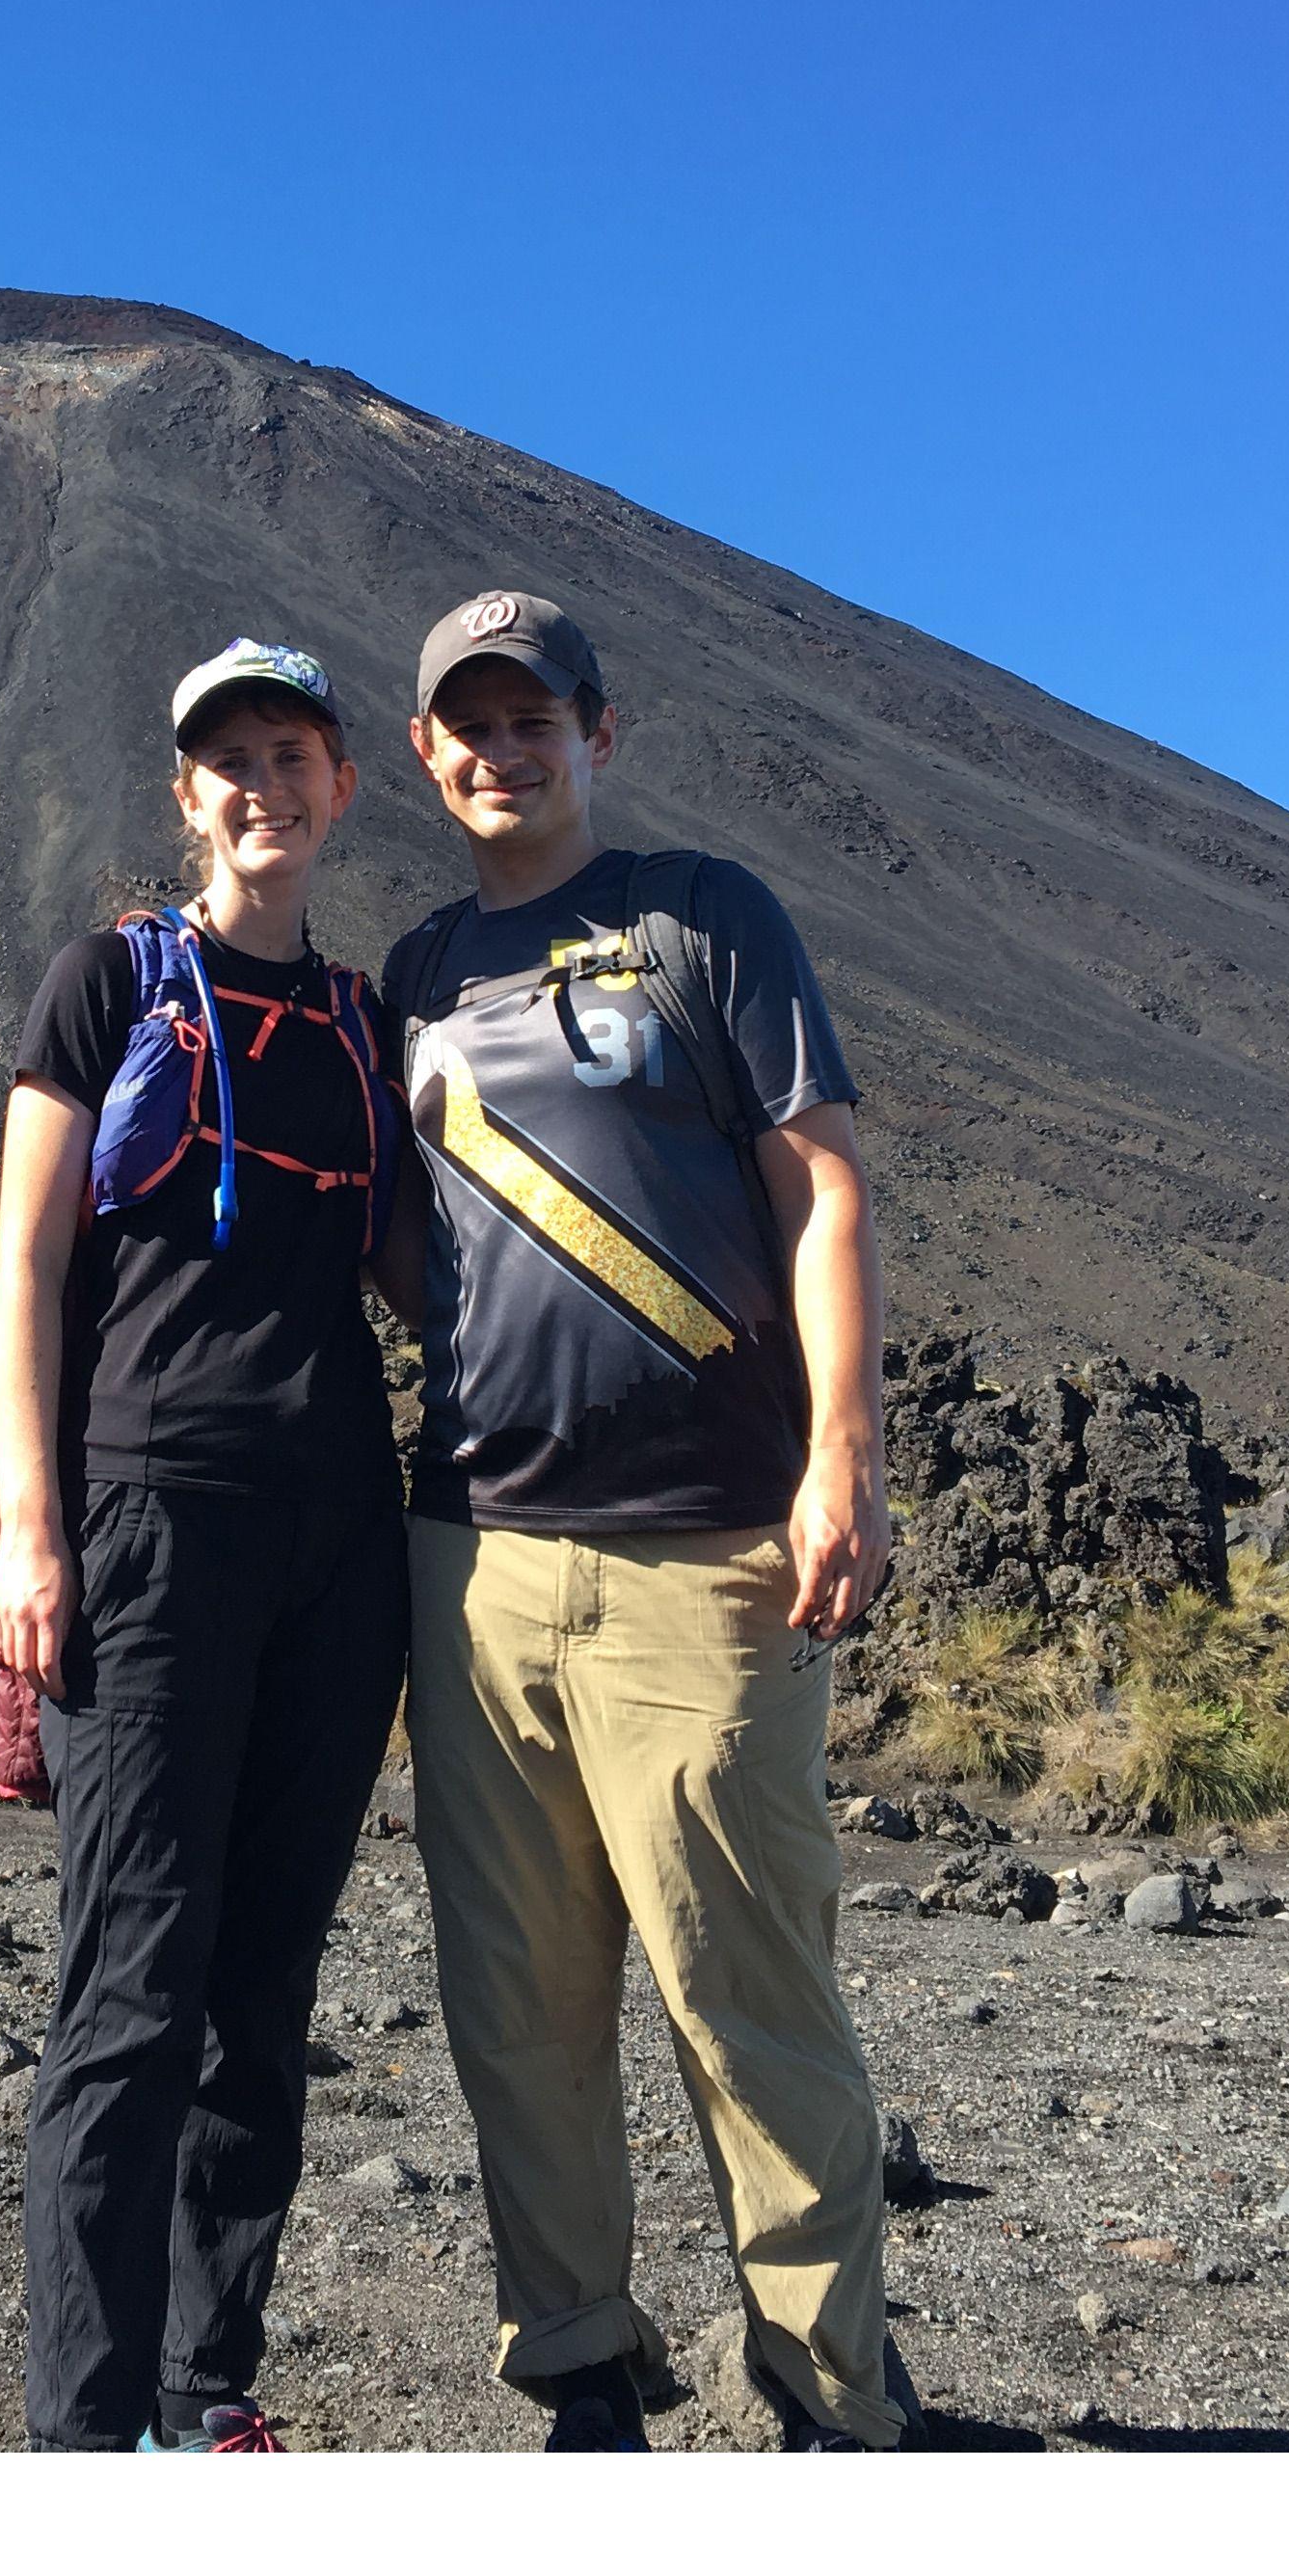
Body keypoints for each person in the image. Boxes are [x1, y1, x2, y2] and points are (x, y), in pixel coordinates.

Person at [382, 588, 916, 2452]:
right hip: (475, 1556)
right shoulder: (415, 973)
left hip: (704, 1552)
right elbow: (399, 1252)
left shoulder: (706, 919)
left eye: (536, 717)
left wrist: (840, 1452)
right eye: (468, 722)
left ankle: (830, 2385)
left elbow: (824, 1191)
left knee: (744, 1989)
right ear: (429, 751)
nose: (501, 748)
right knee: (515, 1995)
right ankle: (581, 2360)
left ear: (598, 733)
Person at [0, 636, 418, 2452]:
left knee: (265, 1993)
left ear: (337, 788)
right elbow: (30, 1264)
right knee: (133, 1988)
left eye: (292, 753)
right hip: (150, 1520)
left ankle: (206, 2391)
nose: (262, 784)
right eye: (227, 759)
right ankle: (86, 2436)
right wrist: (34, 1526)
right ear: (188, 796)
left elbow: (421, 1276)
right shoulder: (106, 986)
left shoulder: (361, 1023)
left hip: (342, 1543)